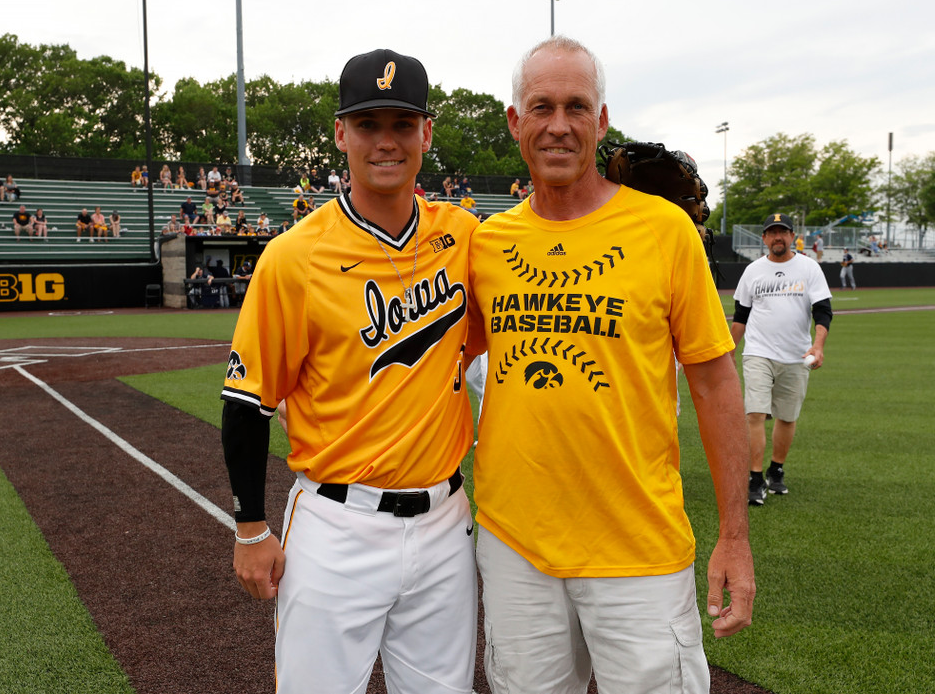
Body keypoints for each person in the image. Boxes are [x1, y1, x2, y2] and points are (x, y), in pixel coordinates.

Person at [466, 36, 754, 694]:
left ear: (601, 120)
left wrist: (734, 536)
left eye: (577, 106)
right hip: (516, 547)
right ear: (516, 120)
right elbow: (448, 359)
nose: (559, 125)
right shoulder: (488, 241)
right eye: (541, 106)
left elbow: (713, 383)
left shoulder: (665, 230)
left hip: (638, 548)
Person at [219, 48, 479, 694]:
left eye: (401, 123)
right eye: (368, 124)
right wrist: (250, 526)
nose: (385, 141)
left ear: (426, 131)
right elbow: (246, 402)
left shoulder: (469, 239)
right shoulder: (294, 256)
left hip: (446, 521)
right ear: (340, 133)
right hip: (338, 525)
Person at [731, 213, 832, 506]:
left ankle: (776, 469)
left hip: (797, 355)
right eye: (772, 233)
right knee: (755, 414)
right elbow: (741, 317)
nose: (778, 237)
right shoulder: (753, 271)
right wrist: (728, 353)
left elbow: (823, 310)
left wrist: (818, 345)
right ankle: (754, 478)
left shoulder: (808, 268)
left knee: (787, 417)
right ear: (764, 238)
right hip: (758, 353)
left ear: (792, 236)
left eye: (783, 232)